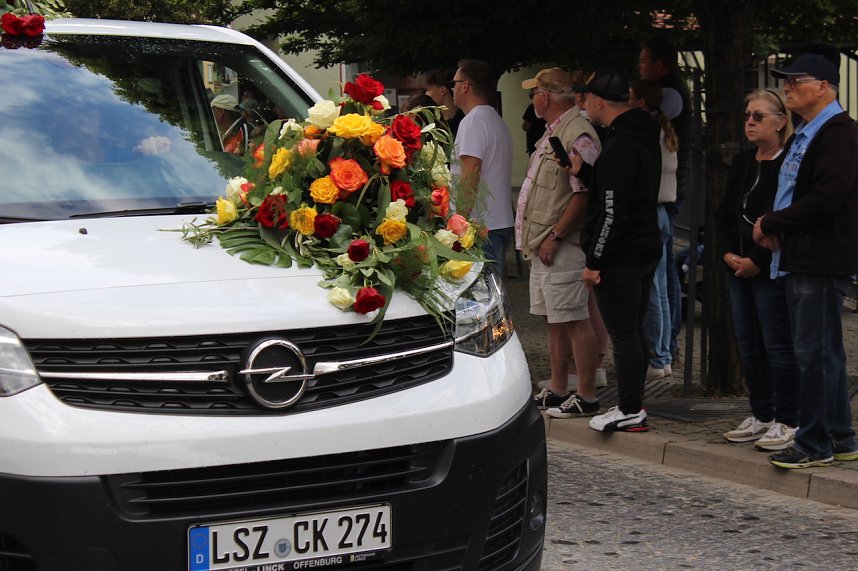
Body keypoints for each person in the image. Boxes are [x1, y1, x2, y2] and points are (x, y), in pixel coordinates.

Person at [753, 53, 858, 469]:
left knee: (813, 354)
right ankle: (841, 436)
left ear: (825, 86)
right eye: (785, 80)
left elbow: (826, 196)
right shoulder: (809, 132)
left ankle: (815, 444)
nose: (788, 87)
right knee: (823, 353)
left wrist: (774, 222)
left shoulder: (839, 134)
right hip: (801, 254)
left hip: (820, 257)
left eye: (797, 80)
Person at [569, 71, 662, 433]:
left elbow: (613, 209)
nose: (585, 105)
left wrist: (595, 260)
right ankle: (633, 403)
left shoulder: (620, 145)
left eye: (587, 99)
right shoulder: (639, 136)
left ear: (599, 102)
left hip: (621, 253)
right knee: (634, 329)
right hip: (643, 245)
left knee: (623, 333)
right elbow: (624, 190)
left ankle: (630, 408)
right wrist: (588, 172)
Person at [515, 68, 602, 419]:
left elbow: (583, 196)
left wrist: (556, 236)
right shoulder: (554, 132)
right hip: (544, 243)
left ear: (545, 97)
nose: (532, 99)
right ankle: (558, 387)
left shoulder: (576, 133)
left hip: (560, 244)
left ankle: (587, 394)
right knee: (554, 319)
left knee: (574, 319)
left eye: (533, 92)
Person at [716, 89, 800, 452]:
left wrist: (755, 260)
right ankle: (761, 412)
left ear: (781, 122)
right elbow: (725, 211)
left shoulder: (789, 164)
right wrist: (725, 253)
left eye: (758, 116)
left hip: (767, 267)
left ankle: (788, 418)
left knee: (777, 344)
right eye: (747, 115)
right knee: (748, 343)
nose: (749, 122)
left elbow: (777, 219)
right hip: (737, 264)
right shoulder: (743, 161)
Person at [638, 38, 692, 365]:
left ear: (659, 65)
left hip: (663, 198)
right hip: (666, 194)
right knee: (663, 275)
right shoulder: (668, 99)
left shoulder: (669, 95)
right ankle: (664, 349)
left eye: (643, 62)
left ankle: (663, 350)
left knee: (662, 278)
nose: (639, 67)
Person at [629, 79, 677, 382]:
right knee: (659, 286)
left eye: (632, 97)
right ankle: (664, 354)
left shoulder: (649, 132)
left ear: (642, 102)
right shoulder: (665, 130)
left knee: (656, 290)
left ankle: (659, 357)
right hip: (662, 211)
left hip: (652, 210)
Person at [451, 59, 514, 277]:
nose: (453, 88)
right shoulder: (495, 119)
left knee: (480, 297)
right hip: (497, 221)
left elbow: (469, 176)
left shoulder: (473, 122)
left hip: (480, 226)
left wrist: (458, 224)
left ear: (465, 85)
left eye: (455, 83)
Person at [422, 67, 466, 136]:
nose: (426, 94)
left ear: (443, 90)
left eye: (428, 90)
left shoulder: (464, 122)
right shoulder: (434, 122)